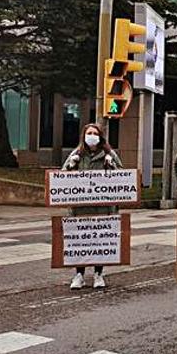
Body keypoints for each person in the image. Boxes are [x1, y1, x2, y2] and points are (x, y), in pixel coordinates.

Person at [62, 123, 123, 290]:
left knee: (100, 241)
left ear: (100, 136)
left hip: (103, 208)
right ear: (84, 135)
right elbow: (61, 178)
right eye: (89, 133)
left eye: (95, 133)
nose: (92, 136)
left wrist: (112, 166)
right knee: (81, 241)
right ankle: (79, 275)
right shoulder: (76, 154)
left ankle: (98, 274)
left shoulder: (109, 154)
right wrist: (71, 166)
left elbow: (123, 177)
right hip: (81, 207)